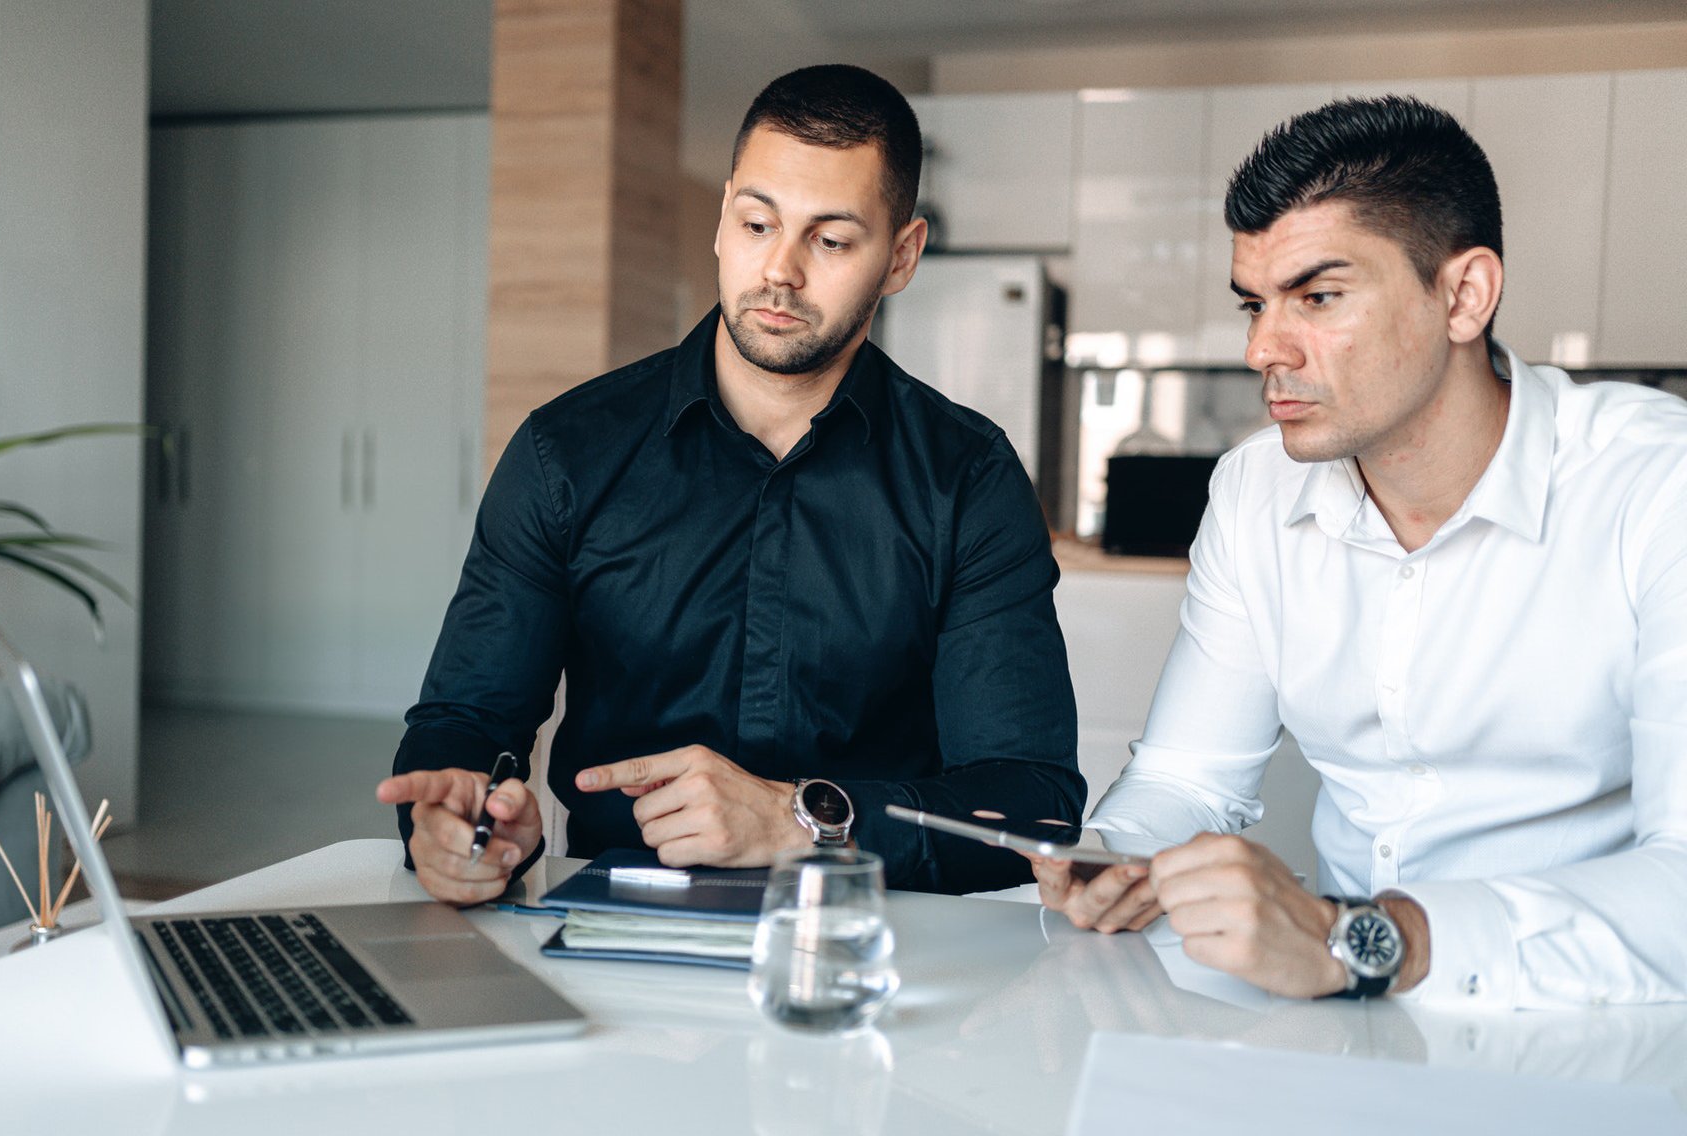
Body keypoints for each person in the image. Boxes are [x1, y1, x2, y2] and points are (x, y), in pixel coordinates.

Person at [1033, 96, 1687, 1008]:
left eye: (1319, 296)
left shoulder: (1659, 487)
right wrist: (1119, 854)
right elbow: (1187, 777)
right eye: (1255, 303)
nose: (1262, 346)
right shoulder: (1256, 490)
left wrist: (1369, 939)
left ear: (1463, 296)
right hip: (1342, 1013)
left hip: (1601, 1026)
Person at [377, 64, 1082, 905]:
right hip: (613, 931)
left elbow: (1030, 807)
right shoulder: (565, 453)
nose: (779, 270)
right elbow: (468, 719)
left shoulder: (969, 478)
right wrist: (465, 825)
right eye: (757, 223)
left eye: (830, 240)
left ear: (901, 257)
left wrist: (801, 821)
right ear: (721, 222)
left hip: (868, 952)